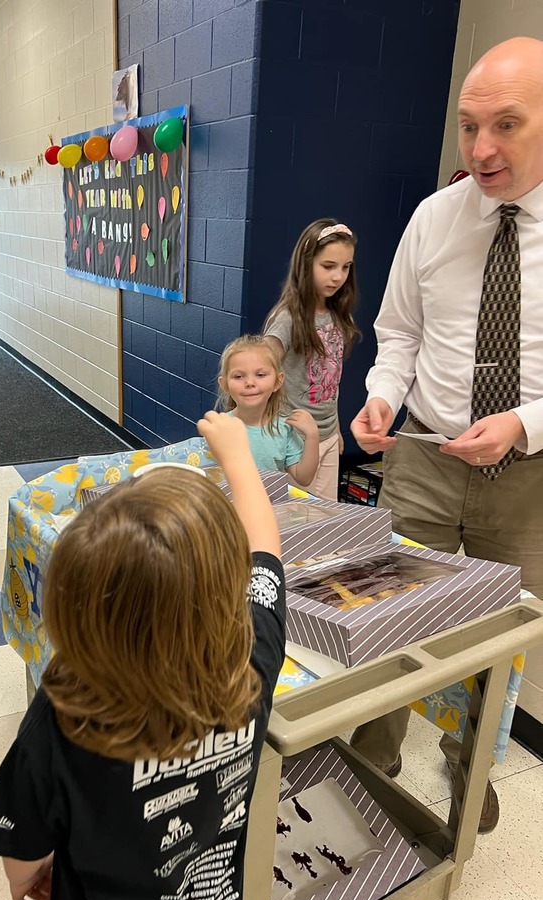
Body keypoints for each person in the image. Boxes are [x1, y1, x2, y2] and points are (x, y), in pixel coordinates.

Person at [0, 410, 285, 900]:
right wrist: (238, 456)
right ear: (225, 589)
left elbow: (24, 857)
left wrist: (30, 876)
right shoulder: (252, 664)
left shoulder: (66, 712)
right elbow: (266, 550)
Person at [349, 36, 543, 834]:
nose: (482, 148)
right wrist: (382, 397)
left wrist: (527, 423)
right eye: (468, 127)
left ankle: (472, 767)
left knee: (500, 634)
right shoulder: (435, 217)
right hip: (426, 455)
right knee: (387, 611)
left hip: (529, 474)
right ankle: (373, 754)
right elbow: (399, 334)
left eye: (506, 125)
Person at [263, 218, 360, 500]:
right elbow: (261, 369)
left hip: (327, 435)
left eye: (346, 267)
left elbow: (332, 380)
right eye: (328, 267)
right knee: (297, 518)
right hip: (295, 439)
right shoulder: (287, 318)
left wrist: (337, 429)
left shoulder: (338, 314)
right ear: (306, 265)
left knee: (324, 515)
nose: (338, 277)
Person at [216, 334, 320, 487]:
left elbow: (303, 478)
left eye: (260, 375)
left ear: (278, 381)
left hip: (270, 507)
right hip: (230, 508)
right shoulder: (220, 427)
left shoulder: (284, 428)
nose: (250, 383)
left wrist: (312, 436)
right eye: (238, 376)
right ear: (225, 384)